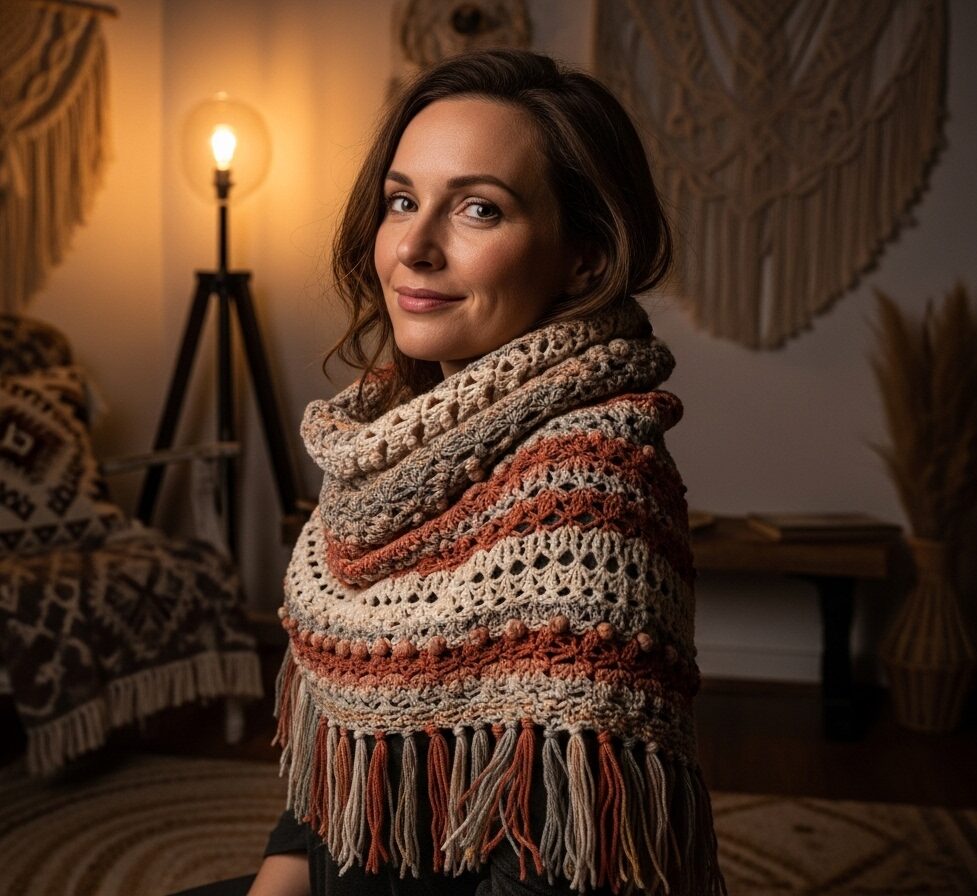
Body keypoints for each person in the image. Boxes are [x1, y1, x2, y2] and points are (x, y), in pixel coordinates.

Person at [250, 48, 725, 896]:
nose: (413, 247)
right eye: (402, 201)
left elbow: (561, 865)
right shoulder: (385, 445)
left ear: (584, 256)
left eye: (479, 209)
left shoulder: (587, 492)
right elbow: (330, 772)